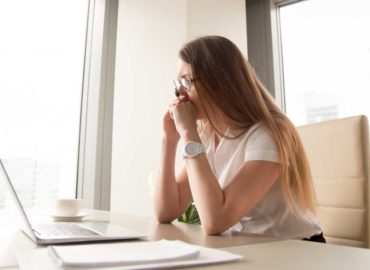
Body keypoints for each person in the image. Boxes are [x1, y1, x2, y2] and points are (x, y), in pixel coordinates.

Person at [153, 36, 325, 242]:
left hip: (295, 249)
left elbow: (215, 221)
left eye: (187, 81)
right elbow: (166, 211)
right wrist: (169, 140)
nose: (179, 92)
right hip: (244, 245)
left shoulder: (268, 134)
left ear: (219, 82)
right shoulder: (207, 135)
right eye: (178, 82)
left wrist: (189, 134)